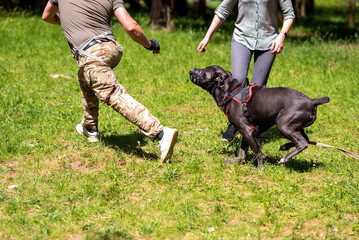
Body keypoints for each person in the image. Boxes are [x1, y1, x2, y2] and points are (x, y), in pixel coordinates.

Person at [42, 0, 178, 162]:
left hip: (91, 52)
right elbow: (131, 26)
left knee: (112, 93)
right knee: (85, 75)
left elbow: (47, 16)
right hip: (111, 48)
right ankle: (90, 127)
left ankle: (161, 133)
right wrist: (149, 44)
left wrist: (65, 19)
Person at [197, 0, 295, 142]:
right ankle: (234, 123)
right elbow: (223, 10)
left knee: (257, 91)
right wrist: (207, 36)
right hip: (241, 38)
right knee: (237, 81)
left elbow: (289, 14)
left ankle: (251, 126)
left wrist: (282, 36)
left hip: (268, 41)